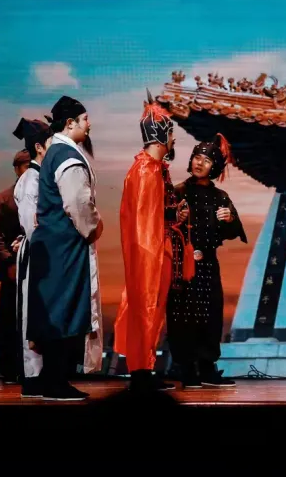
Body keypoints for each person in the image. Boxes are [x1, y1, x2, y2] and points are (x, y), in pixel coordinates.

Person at [27, 96, 104, 401]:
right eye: (85, 119)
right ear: (70, 123)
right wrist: (94, 227)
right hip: (64, 244)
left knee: (55, 309)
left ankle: (50, 378)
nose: (89, 124)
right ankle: (56, 381)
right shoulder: (66, 156)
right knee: (63, 308)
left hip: (54, 243)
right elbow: (77, 203)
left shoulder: (55, 152)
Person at [114, 92, 192, 392]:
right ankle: (141, 371)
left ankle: (145, 367)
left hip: (160, 249)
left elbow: (155, 212)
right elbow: (143, 222)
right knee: (146, 306)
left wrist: (174, 215)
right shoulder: (145, 170)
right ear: (161, 137)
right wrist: (153, 255)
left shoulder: (154, 169)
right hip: (151, 252)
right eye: (171, 134)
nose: (174, 140)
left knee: (154, 309)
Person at [166, 134, 246, 389]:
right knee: (182, 316)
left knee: (210, 315)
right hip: (180, 265)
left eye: (207, 160)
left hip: (208, 265)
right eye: (197, 158)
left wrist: (229, 219)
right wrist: (175, 218)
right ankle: (186, 368)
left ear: (215, 167)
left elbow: (233, 232)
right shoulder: (177, 191)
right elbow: (161, 224)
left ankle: (208, 368)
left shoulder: (220, 196)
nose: (200, 163)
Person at [12, 117, 53, 398]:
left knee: (42, 312)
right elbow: (31, 223)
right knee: (31, 314)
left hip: (44, 251)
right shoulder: (30, 179)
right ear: (39, 147)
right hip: (36, 251)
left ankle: (43, 373)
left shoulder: (42, 177)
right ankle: (32, 375)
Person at [0, 149, 30, 384]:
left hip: (37, 268)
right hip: (11, 269)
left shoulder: (43, 196)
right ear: (16, 169)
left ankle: (31, 368)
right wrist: (7, 262)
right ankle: (8, 367)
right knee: (8, 320)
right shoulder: (3, 199)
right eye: (25, 166)